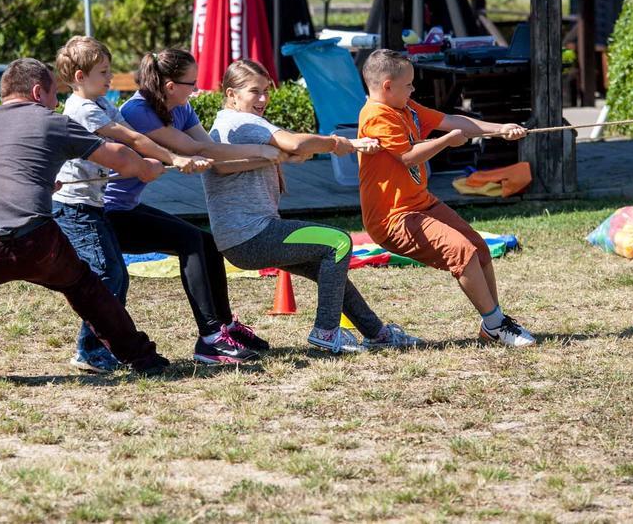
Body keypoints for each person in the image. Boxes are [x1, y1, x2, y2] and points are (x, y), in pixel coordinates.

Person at [0, 58, 170, 389]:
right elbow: (117, 156)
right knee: (84, 286)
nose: (56, 103)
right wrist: (147, 168)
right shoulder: (50, 121)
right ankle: (142, 358)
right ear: (36, 92)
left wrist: (41, 182)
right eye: (54, 95)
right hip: (37, 246)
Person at [203, 59, 424, 353]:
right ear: (232, 94)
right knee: (339, 242)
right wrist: (338, 142)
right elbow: (293, 143)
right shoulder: (244, 122)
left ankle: (378, 333)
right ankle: (327, 331)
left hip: (239, 240)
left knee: (330, 269)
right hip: (252, 236)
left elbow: (283, 151)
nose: (263, 99)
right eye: (254, 92)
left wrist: (312, 150)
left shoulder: (226, 124)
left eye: (266, 91)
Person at [104, 48, 277, 366]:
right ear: (171, 86)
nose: (196, 89)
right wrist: (265, 150)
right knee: (191, 244)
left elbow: (213, 153)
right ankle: (210, 339)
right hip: (108, 213)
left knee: (207, 244)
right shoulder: (139, 111)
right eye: (191, 83)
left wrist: (265, 156)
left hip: (128, 207)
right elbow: (194, 147)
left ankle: (225, 327)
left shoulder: (181, 109)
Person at [52, 36, 212, 373]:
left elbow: (138, 142)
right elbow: (133, 141)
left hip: (91, 206)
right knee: (108, 274)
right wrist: (176, 158)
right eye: (103, 72)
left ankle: (98, 347)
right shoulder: (81, 109)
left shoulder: (104, 105)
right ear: (79, 77)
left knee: (114, 275)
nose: (111, 78)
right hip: (74, 208)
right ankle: (90, 350)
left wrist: (171, 159)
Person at [357, 49, 536, 347]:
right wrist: (446, 142)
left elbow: (451, 120)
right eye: (409, 85)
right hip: (393, 218)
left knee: (479, 249)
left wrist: (500, 130)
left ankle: (495, 323)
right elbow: (408, 156)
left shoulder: (405, 107)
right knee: (461, 251)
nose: (413, 89)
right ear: (387, 86)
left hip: (421, 204)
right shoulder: (376, 116)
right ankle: (495, 323)